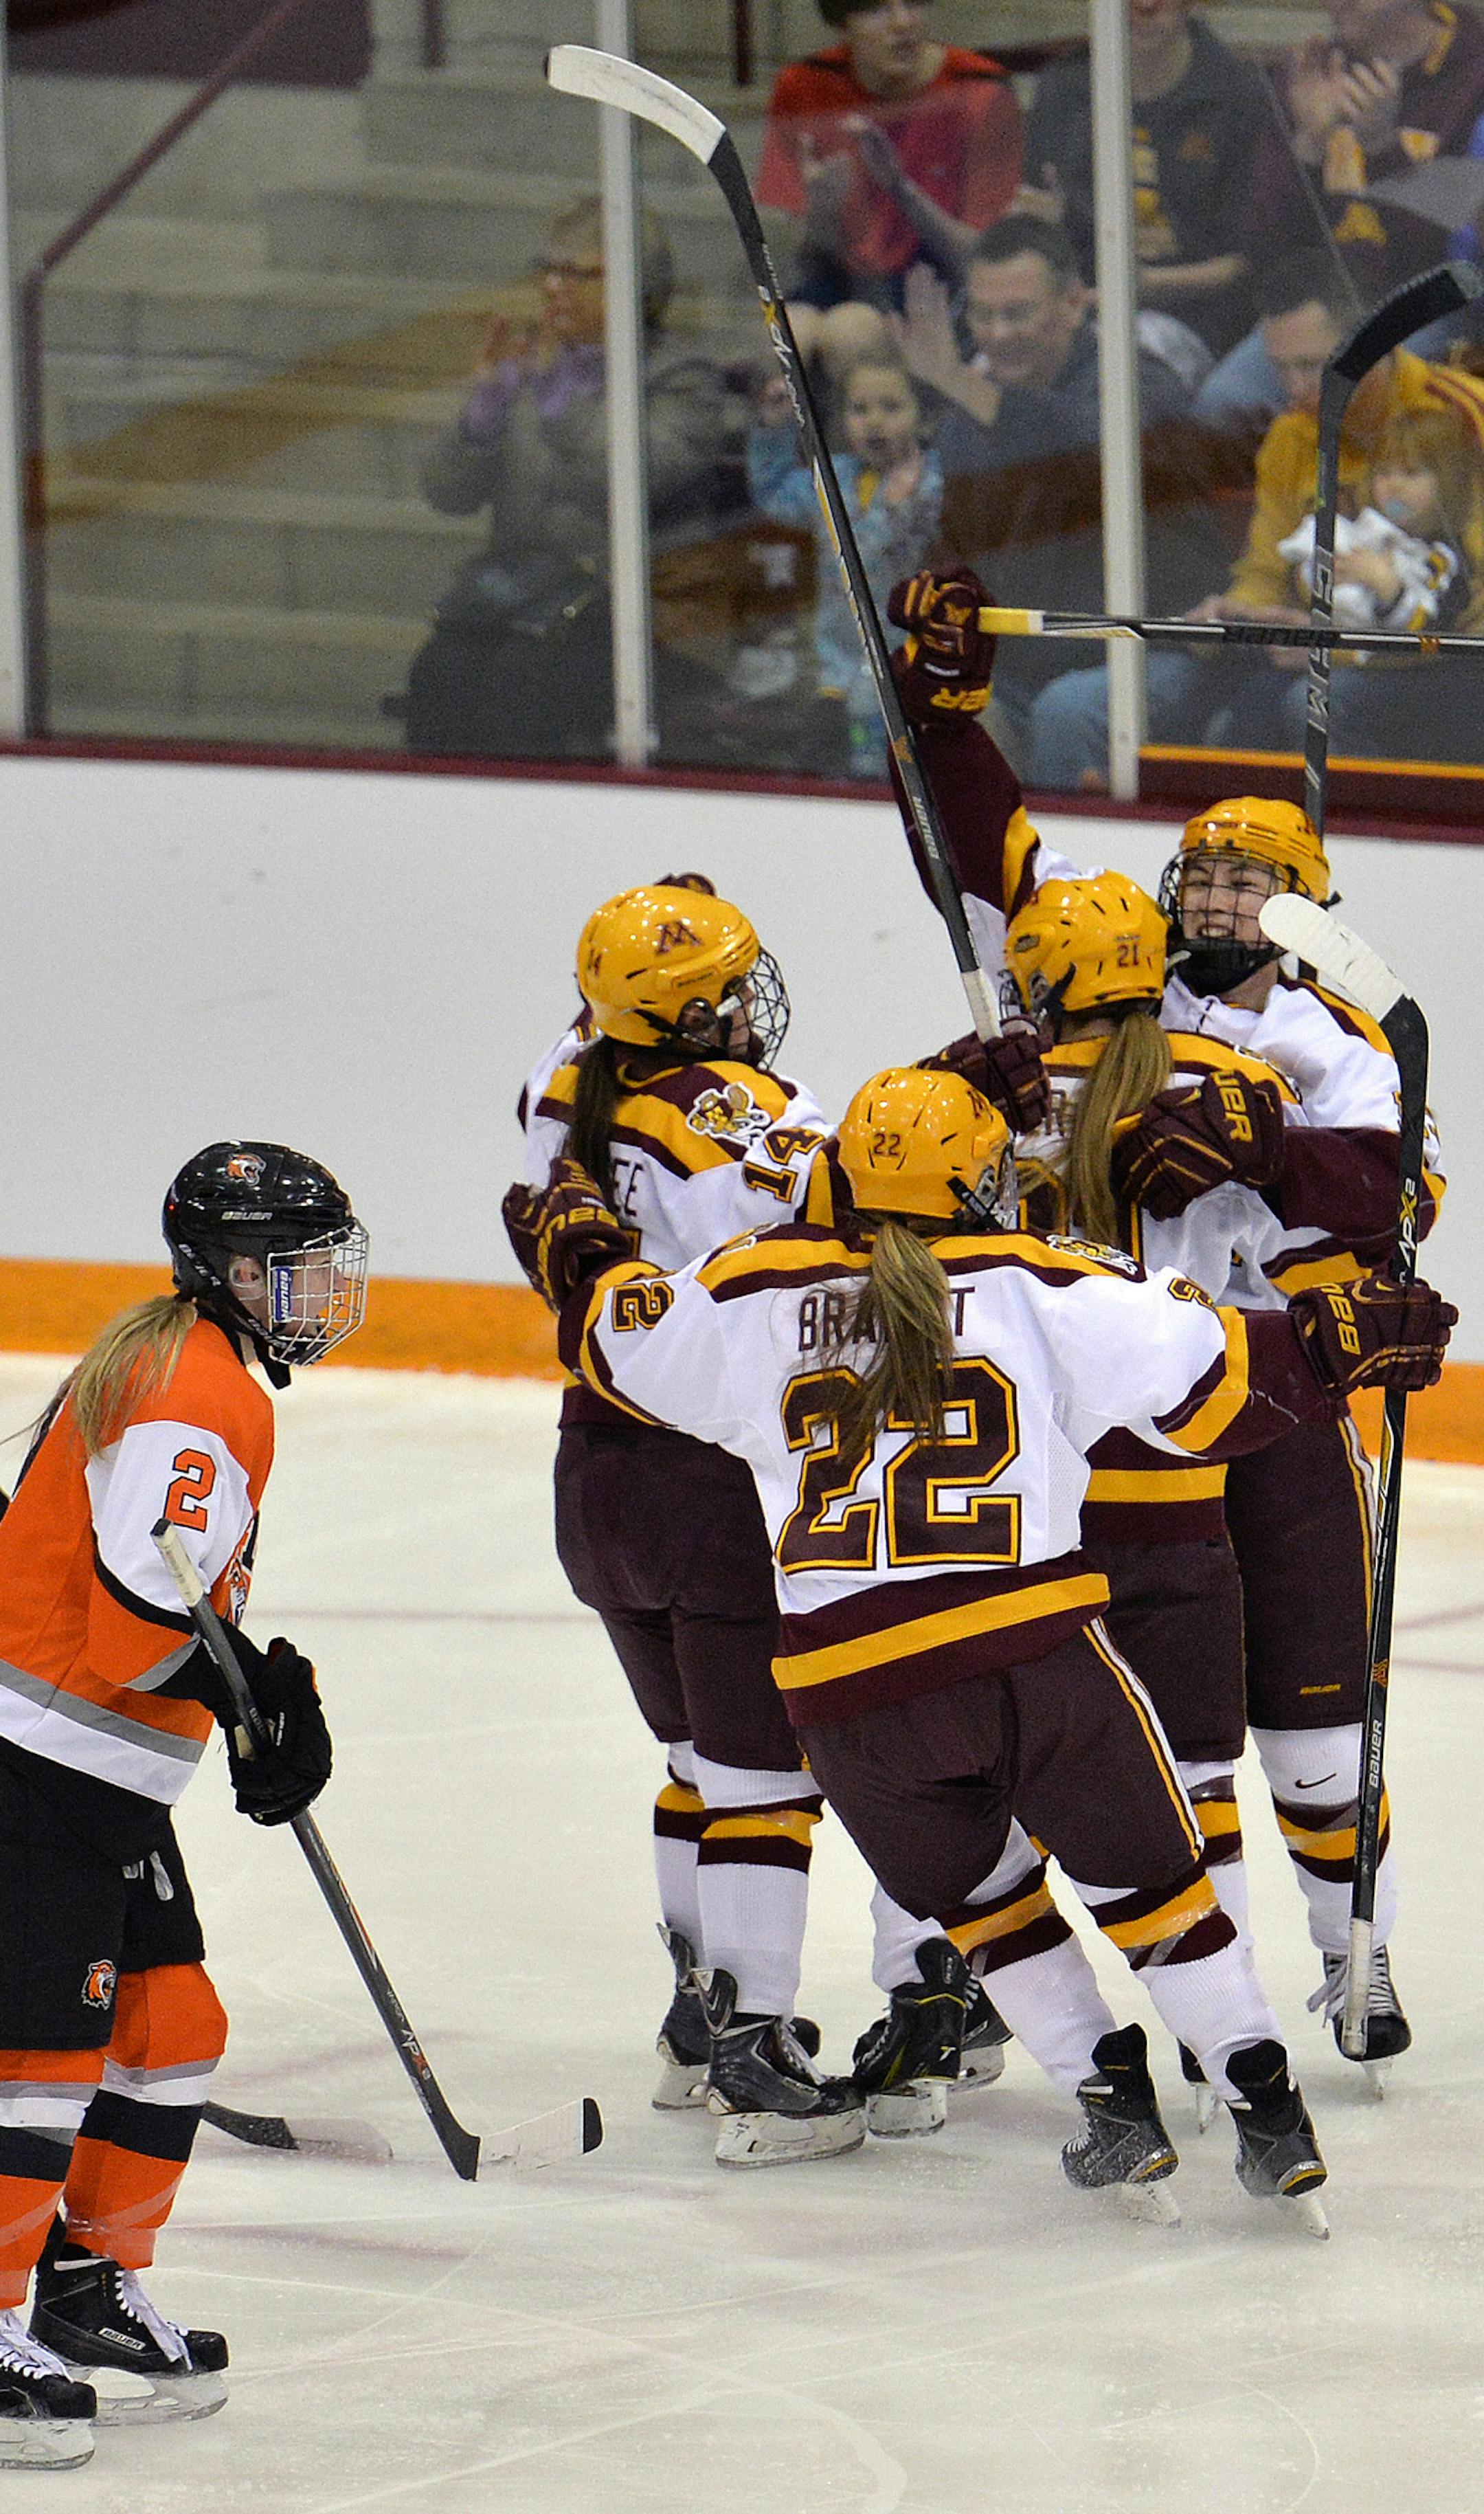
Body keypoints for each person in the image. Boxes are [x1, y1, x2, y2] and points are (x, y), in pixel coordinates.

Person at [506, 1076, 1452, 2223]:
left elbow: (617, 1342)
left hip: (853, 1699)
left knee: (994, 1905)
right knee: (1159, 1894)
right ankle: (1266, 2102)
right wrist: (1331, 1342)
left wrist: (586, 1251)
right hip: (1036, 1657)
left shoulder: (748, 1288)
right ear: (979, 1177)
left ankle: (1113, 2102)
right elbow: (1220, 1398)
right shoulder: (1041, 1279)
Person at [878, 565, 1449, 2072]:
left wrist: (1267, 1149)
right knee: (1143, 1723)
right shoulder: (1121, 990)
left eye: (1243, 880)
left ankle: (1349, 1959)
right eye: (1195, 875)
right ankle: (1167, 1991)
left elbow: (1394, 1202)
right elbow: (998, 859)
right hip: (1109, 1406)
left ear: (1303, 902)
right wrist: (943, 710)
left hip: (1277, 1396)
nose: (1209, 898)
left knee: (1315, 1724)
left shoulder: (1341, 1037)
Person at [515, 879, 1046, 2167]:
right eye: (730, 984)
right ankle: (752, 2057)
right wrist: (963, 1096)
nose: (753, 1001)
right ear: (689, 1010)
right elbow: (870, 1188)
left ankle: (696, 2025)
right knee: (770, 1782)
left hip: (597, 1476)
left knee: (701, 1766)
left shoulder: (562, 1073)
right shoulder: (735, 1108)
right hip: (714, 1481)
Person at [0, 1144, 364, 2470]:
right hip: (36, 1760)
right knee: (37, 2053)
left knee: (170, 2024)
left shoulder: (183, 1365)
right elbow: (131, 1623)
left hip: (98, 1772)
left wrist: (251, 1695)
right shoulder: (195, 1390)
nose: (324, 1290)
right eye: (302, 1265)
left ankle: (83, 2285)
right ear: (234, 1268)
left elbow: (167, 1600)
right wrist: (253, 1694)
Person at [1029, 251, 1484, 787]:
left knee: (1306, 706)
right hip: (1299, 648)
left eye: (1312, 366)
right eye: (1281, 368)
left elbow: (1472, 606)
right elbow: (1266, 571)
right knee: (1069, 708)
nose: (1294, 388)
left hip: (1432, 659)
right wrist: (1237, 612)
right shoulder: (1291, 436)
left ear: (1375, 345)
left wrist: (1346, 647)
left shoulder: (1463, 416)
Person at [407, 197, 730, 764]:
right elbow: (446, 494)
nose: (553, 286)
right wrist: (477, 423)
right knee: (440, 671)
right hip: (521, 594)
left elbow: (642, 476)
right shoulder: (535, 362)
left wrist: (563, 408)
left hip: (629, 607)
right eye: (548, 269)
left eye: (576, 272)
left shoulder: (680, 379)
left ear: (634, 284)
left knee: (524, 681)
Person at [890, 216, 1204, 764]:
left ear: (1074, 303)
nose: (998, 334)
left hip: (1152, 648)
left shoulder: (1142, 381)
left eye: (1018, 313)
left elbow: (1090, 452)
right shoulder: (970, 414)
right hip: (1027, 657)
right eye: (983, 314)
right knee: (921, 685)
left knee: (1066, 710)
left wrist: (959, 382)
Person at [756, 0, 1023, 378]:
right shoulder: (805, 84)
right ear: (842, 23)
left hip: (939, 289)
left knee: (851, 332)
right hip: (839, 281)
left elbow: (981, 260)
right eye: (878, 9)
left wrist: (900, 189)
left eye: (913, 3)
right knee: (785, 334)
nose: (903, 23)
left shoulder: (979, 89)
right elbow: (796, 258)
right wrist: (823, 212)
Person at [1220, 400, 1484, 757]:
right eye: (1384, 474)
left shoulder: (1445, 556)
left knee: (1315, 703)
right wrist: (1313, 573)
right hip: (1339, 653)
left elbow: (1433, 627)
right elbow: (1304, 580)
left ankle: (1355, 806)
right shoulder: (1363, 533)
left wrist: (1387, 586)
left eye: (1411, 474)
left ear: (1447, 483)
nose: (1394, 487)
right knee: (1258, 695)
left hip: (1412, 671)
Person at [1022, 0, 1269, 359]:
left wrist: (1140, 285)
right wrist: (1039, 227)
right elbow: (1041, 221)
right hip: (1076, 307)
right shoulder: (1063, 87)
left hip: (1195, 317)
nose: (1146, 6)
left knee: (1112, 366)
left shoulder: (1238, 95)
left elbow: (1247, 262)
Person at [747, 350, 943, 775]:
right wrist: (773, 428)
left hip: (901, 668)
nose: (874, 421)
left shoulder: (932, 484)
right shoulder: (832, 477)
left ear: (925, 419)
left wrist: (896, 509)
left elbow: (875, 560)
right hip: (833, 665)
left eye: (891, 407)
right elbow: (775, 496)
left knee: (885, 774)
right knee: (825, 769)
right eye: (860, 409)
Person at [1249, 0, 1484, 311]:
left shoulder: (1472, 78)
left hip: (1422, 312)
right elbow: (1264, 251)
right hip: (1314, 310)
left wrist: (1382, 150)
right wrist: (1310, 148)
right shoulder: (1312, 73)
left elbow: (1451, 261)